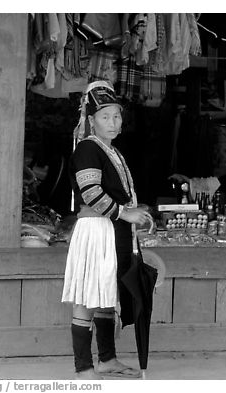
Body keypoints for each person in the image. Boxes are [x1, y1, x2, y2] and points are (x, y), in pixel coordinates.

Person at [61, 80, 153, 380]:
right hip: (96, 230)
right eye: (105, 117)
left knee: (105, 294)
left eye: (116, 116)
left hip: (111, 230)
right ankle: (84, 367)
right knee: (89, 297)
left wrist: (133, 215)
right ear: (91, 121)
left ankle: (108, 360)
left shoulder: (110, 150)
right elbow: (91, 194)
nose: (113, 122)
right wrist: (126, 213)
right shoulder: (88, 148)